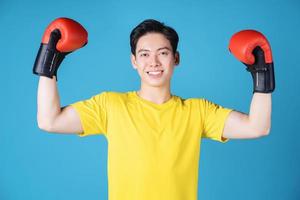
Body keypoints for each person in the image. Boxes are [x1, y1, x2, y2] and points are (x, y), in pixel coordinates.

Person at [34, 17, 275, 200]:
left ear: (176, 59)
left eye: (163, 53)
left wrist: (262, 71)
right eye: (145, 54)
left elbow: (257, 127)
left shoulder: (197, 111)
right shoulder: (111, 105)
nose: (154, 62)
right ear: (134, 61)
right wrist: (49, 62)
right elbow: (50, 121)